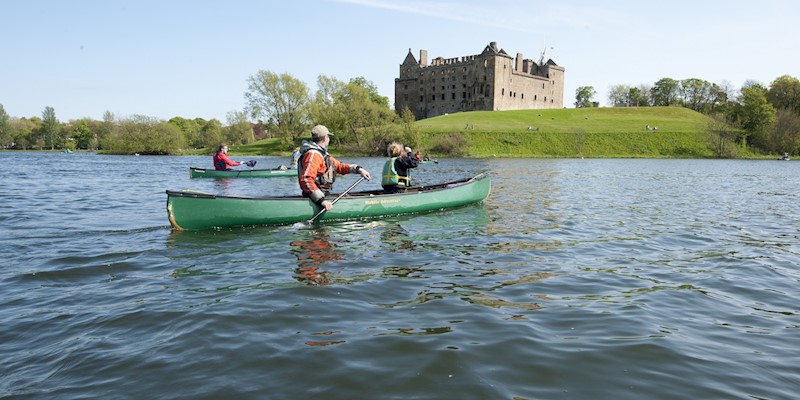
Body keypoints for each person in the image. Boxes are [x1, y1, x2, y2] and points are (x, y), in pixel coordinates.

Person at [298, 125, 371, 211]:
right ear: (325, 138)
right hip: (315, 199)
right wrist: (322, 201)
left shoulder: (323, 155)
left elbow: (340, 167)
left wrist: (358, 169)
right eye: (328, 137)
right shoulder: (314, 155)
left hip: (323, 195)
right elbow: (306, 179)